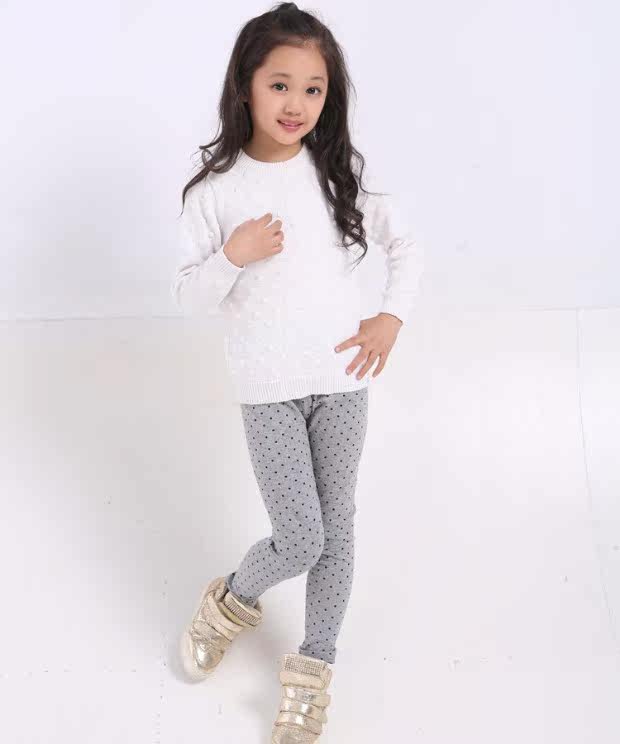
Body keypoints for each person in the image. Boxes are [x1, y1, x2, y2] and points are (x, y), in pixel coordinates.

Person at [171, 3, 424, 741]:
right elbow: (189, 298)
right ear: (245, 85)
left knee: (336, 530)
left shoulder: (335, 173)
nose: (296, 104)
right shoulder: (215, 192)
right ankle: (229, 601)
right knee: (301, 536)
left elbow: (406, 245)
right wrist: (233, 255)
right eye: (279, 84)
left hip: (343, 382)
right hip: (269, 392)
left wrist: (390, 317)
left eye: (313, 89)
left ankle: (313, 672)